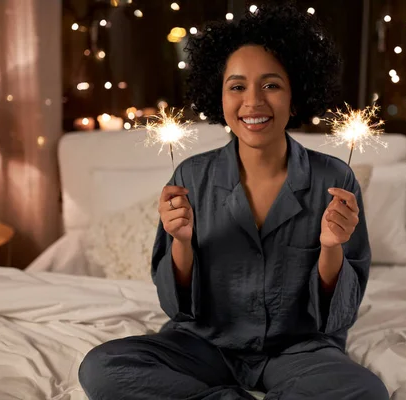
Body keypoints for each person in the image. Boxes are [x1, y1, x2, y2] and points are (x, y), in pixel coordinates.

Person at [79, 3, 389, 400]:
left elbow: (338, 316)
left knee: (365, 391)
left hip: (298, 352)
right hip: (205, 346)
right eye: (237, 86)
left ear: (295, 97)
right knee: (102, 368)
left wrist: (331, 248)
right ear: (219, 96)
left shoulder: (335, 179)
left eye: (271, 85)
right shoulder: (190, 176)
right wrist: (181, 242)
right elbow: (177, 308)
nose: (253, 101)